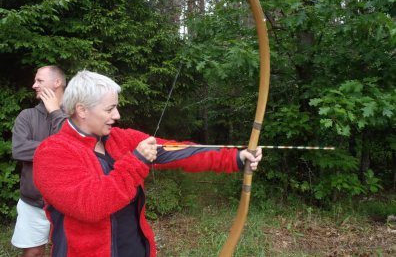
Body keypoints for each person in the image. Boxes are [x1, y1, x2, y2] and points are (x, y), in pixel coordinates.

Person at [33, 70, 262, 257]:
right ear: (81, 110)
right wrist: (136, 161)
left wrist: (234, 158)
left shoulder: (119, 138)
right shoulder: (53, 152)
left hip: (136, 248)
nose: (117, 115)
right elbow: (91, 205)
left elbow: (176, 150)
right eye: (110, 109)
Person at [11, 65, 67, 257]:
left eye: (39, 81)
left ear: (57, 82)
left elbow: (82, 150)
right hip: (32, 203)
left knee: (68, 251)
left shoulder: (76, 115)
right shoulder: (26, 116)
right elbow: (19, 149)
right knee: (33, 253)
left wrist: (56, 114)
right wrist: (61, 147)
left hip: (68, 203)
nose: (34, 85)